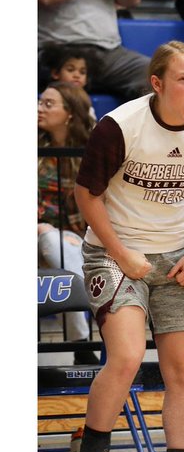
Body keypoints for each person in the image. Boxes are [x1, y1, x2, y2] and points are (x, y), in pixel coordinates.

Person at [67, 42, 184, 452]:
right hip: (113, 251)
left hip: (177, 256)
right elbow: (86, 195)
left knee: (183, 372)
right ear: (157, 84)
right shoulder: (120, 126)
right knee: (129, 357)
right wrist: (122, 253)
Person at [37, 82, 98, 364]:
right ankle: (82, 342)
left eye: (49, 104)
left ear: (70, 113)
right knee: (51, 241)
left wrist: (81, 235)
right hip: (37, 234)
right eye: (40, 102)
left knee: (57, 246)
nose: (40, 108)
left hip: (72, 240)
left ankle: (82, 342)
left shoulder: (89, 153)